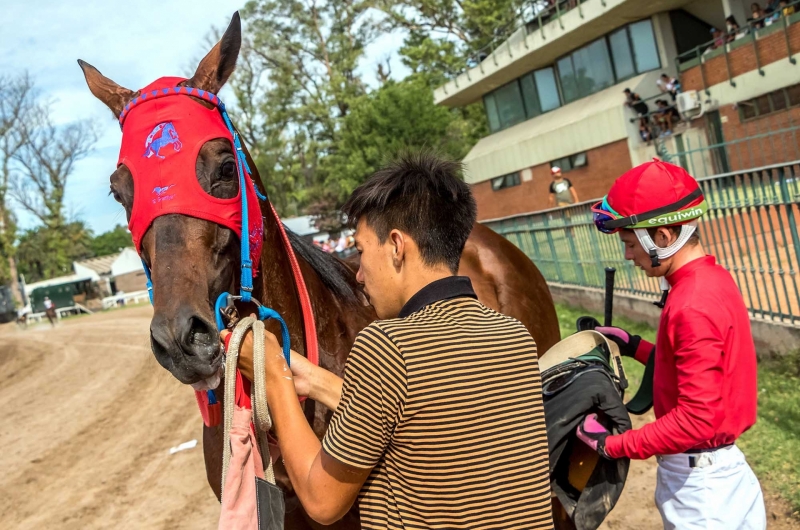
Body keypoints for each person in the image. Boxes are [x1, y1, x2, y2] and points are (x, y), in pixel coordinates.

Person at [226, 152, 555, 529]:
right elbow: (421, 421)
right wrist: (315, 380)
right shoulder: (512, 335)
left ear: (397, 246)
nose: (360, 275)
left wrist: (276, 378)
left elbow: (322, 502)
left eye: (362, 252)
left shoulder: (385, 345)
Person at [578, 160, 766, 529]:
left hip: (703, 493)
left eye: (631, 244)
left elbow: (696, 419)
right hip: (722, 478)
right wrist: (636, 346)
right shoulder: (710, 279)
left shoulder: (690, 303)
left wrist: (610, 445)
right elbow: (699, 367)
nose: (628, 256)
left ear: (663, 236)